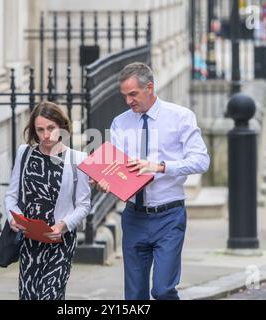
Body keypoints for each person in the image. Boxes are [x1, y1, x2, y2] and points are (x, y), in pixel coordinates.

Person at [95, 62, 210, 300]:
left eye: (133, 94)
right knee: (135, 296)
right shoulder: (120, 123)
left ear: (149, 87)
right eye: (125, 96)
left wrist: (160, 167)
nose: (128, 101)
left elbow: (201, 160)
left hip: (169, 216)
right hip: (134, 216)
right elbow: (113, 168)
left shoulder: (180, 117)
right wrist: (102, 181)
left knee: (163, 290)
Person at [4, 101, 91, 300]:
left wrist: (63, 225)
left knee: (50, 296)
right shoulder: (24, 154)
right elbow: (11, 196)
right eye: (40, 129)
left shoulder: (78, 159)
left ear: (61, 126)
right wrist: (13, 218)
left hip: (60, 241)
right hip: (30, 241)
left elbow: (84, 205)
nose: (46, 135)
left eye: (51, 128)